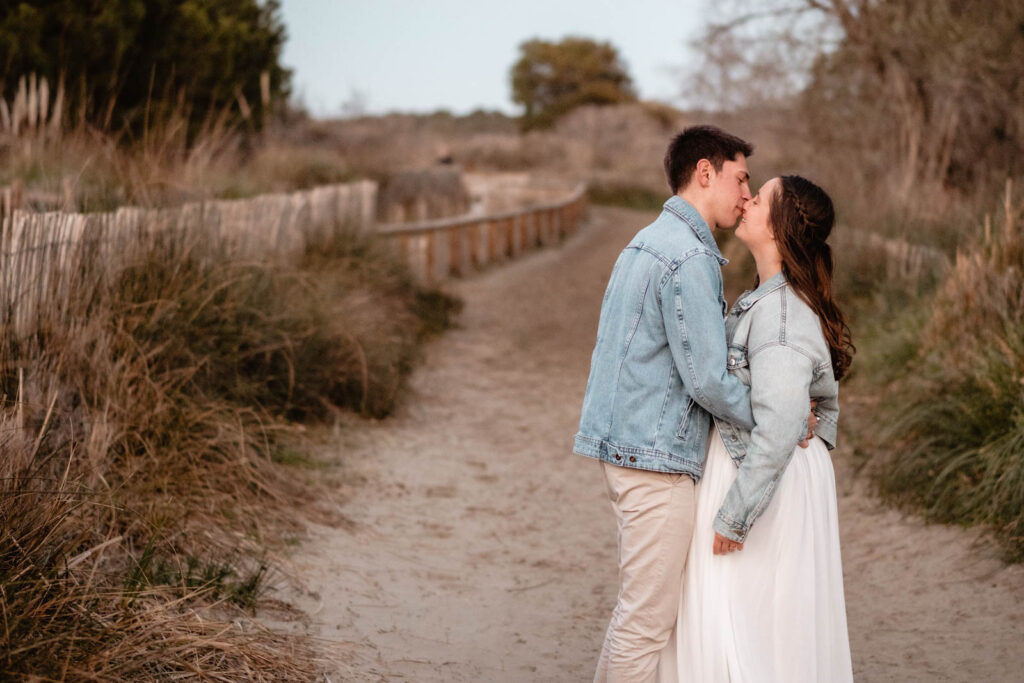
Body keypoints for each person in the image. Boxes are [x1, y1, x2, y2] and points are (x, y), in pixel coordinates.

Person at [573, 126, 816, 682]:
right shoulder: (689, 257)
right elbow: (707, 380)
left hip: (625, 449)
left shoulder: (646, 240)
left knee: (638, 617)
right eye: (740, 178)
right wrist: (777, 418)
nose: (745, 194)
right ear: (705, 172)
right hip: (654, 460)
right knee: (645, 624)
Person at [658, 175, 855, 682]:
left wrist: (735, 516)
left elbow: (784, 422)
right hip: (768, 472)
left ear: (780, 226)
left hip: (763, 481)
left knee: (748, 627)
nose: (745, 199)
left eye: (759, 197)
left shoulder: (782, 312)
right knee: (752, 622)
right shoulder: (766, 299)